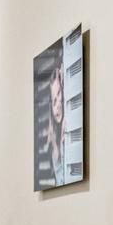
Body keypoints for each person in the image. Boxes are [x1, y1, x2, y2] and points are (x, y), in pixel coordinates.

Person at [38, 59, 67, 188]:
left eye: (59, 93)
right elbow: (61, 181)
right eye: (54, 101)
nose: (58, 106)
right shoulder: (54, 139)